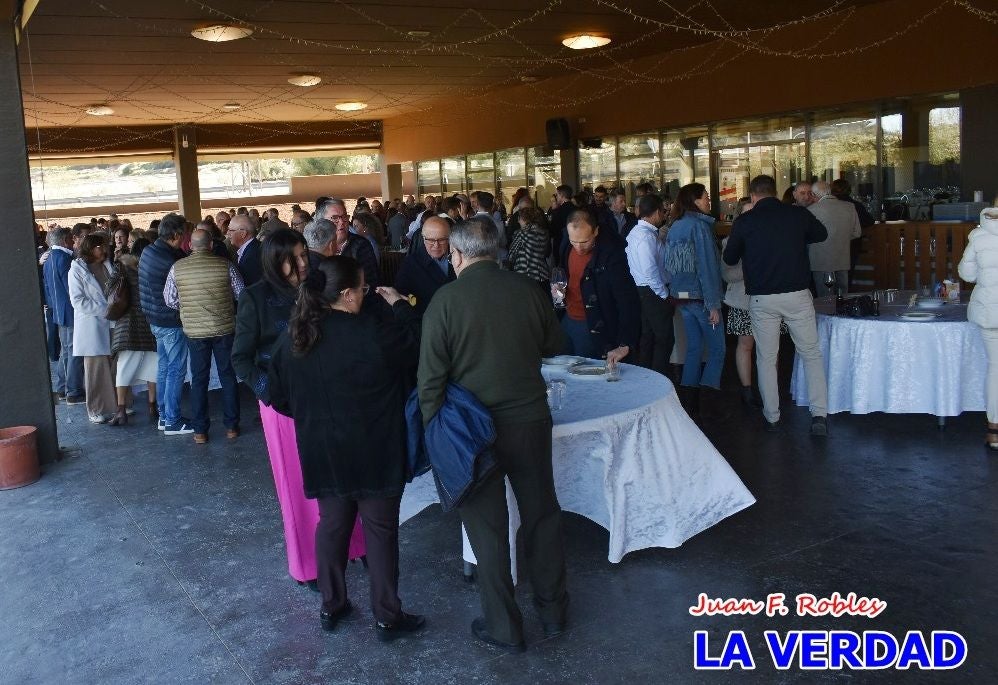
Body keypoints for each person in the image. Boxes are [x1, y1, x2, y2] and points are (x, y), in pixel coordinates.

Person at [417, 216, 568, 653]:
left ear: (458, 254)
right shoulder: (528, 291)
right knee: (542, 516)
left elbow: (430, 380)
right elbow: (553, 345)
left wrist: (435, 430)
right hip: (528, 421)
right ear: (499, 250)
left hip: (470, 433)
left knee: (488, 530)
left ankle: (504, 626)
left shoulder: (445, 301)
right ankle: (554, 613)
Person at [269, 257, 424, 641]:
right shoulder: (374, 333)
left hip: (323, 449)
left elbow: (277, 396)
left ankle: (331, 604)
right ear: (348, 294)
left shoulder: (296, 338)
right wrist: (400, 304)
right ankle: (387, 615)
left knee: (333, 526)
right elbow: (420, 344)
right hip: (376, 450)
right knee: (380, 531)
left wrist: (311, 415)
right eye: (364, 289)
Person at [232, 229, 366, 588]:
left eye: (305, 254)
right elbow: (241, 359)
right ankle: (309, 564)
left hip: (327, 396)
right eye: (295, 258)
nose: (305, 263)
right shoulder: (255, 298)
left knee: (343, 475)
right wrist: (269, 392)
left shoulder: (317, 290)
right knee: (300, 488)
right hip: (284, 407)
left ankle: (354, 546)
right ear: (276, 262)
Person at [723, 175, 829, 436]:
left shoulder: (745, 221)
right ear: (776, 192)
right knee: (811, 355)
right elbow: (821, 234)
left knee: (767, 358)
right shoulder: (796, 215)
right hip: (797, 294)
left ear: (754, 196)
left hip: (762, 298)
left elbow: (729, 257)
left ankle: (772, 416)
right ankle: (819, 416)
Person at [164, 229, 244, 444]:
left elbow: (169, 300)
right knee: (228, 376)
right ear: (210, 245)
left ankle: (200, 431)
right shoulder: (226, 265)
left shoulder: (177, 268)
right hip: (224, 329)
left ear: (190, 245)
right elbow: (241, 294)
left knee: (199, 380)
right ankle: (231, 427)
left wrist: (189, 307)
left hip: (195, 332)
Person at [665, 183, 726, 418]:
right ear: (695, 201)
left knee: (693, 348)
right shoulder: (699, 227)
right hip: (701, 299)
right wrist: (713, 304)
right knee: (718, 349)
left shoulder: (675, 227)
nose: (709, 201)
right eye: (706, 197)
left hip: (681, 299)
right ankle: (709, 402)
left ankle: (690, 405)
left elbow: (670, 269)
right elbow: (707, 268)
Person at [559, 210, 640, 363]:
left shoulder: (612, 254)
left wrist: (625, 342)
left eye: (584, 242)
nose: (578, 247)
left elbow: (627, 300)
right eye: (573, 241)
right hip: (567, 320)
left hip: (596, 326)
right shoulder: (566, 245)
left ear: (596, 231)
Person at [139, 213, 194, 435]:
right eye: (185, 234)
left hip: (155, 320)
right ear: (177, 234)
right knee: (176, 370)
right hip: (171, 322)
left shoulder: (149, 251)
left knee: (164, 367)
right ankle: (172, 419)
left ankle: (164, 415)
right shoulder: (171, 261)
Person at [958, 207, 998, 450]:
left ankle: (994, 430)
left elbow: (967, 274)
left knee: (995, 368)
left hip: (989, 311)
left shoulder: (979, 236)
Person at [108, 238, 158, 426]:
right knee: (153, 365)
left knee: (125, 366)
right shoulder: (152, 267)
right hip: (150, 321)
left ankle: (121, 410)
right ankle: (153, 406)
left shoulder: (121, 266)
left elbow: (110, 291)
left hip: (128, 324)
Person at [68, 233, 117, 424]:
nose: (104, 250)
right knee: (95, 370)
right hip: (92, 325)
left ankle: (117, 406)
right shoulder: (77, 270)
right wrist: (106, 309)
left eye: (105, 246)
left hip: (112, 322)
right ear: (89, 248)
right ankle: (96, 409)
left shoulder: (107, 265)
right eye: (99, 247)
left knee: (114, 365)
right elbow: (77, 301)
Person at [625, 194, 676, 379]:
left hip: (643, 290)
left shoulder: (637, 233)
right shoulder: (645, 237)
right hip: (653, 291)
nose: (664, 215)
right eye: (662, 212)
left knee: (649, 337)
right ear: (655, 213)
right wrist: (664, 295)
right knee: (664, 339)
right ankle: (658, 380)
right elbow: (651, 272)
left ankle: (647, 378)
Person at [42, 227, 86, 405]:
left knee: (65, 352)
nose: (72, 241)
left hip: (58, 313)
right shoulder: (65, 259)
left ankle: (62, 388)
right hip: (71, 312)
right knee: (74, 351)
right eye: (70, 239)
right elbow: (72, 290)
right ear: (64, 240)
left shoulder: (49, 259)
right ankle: (73, 392)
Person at [807, 181, 863, 296]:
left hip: (820, 262)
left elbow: (806, 236)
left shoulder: (811, 210)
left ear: (814, 194)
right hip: (843, 260)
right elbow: (857, 233)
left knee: (825, 300)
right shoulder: (849, 207)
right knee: (842, 297)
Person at [394, 215, 455, 315]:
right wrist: (418, 304)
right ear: (423, 238)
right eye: (431, 240)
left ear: (449, 238)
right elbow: (402, 294)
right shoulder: (410, 264)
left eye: (442, 239)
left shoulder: (459, 258)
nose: (436, 245)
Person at [318, 198, 380, 287]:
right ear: (322, 222)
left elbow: (371, 282)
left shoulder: (361, 245)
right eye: (335, 218)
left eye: (344, 216)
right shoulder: (317, 246)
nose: (342, 222)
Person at [507, 205, 551, 297]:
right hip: (542, 275)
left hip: (525, 276)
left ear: (525, 219)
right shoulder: (544, 232)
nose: (518, 221)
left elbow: (511, 255)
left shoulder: (521, 234)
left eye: (519, 218)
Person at [229, 213, 263, 287]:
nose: (228, 233)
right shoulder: (253, 248)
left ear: (243, 233)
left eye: (231, 230)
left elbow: (253, 287)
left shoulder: (252, 255)